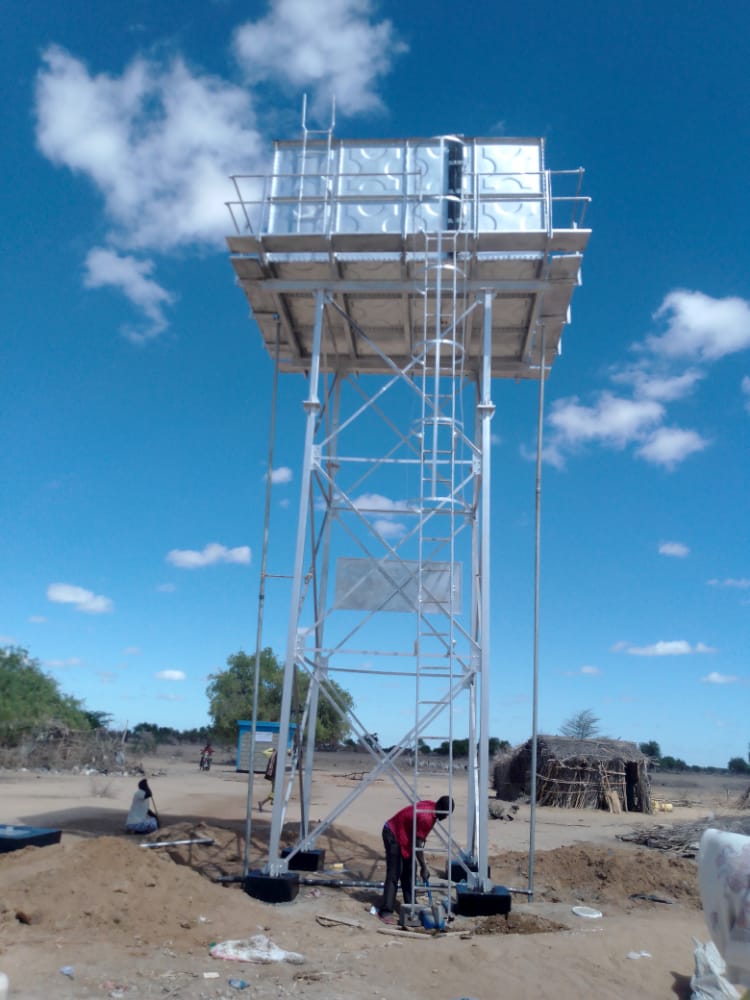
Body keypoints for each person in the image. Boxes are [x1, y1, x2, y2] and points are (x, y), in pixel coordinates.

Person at [377, 795, 455, 924]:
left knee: (409, 871)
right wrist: (424, 867)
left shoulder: (432, 807)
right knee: (394, 874)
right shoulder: (427, 818)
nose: (445, 818)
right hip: (393, 833)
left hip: (405, 839)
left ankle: (411, 904)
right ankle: (385, 911)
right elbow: (418, 844)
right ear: (440, 808)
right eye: (445, 814)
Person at [257, 746, 278, 812]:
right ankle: (262, 802)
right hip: (275, 775)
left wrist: (271, 749)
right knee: (275, 792)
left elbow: (264, 752)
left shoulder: (272, 754)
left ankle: (272, 801)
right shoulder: (277, 754)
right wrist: (271, 749)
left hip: (271, 774)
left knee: (273, 790)